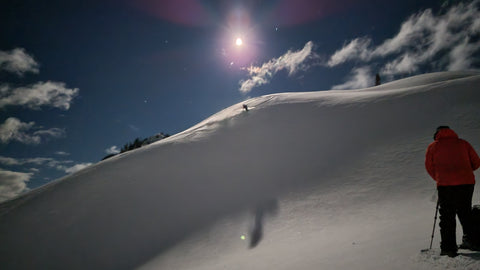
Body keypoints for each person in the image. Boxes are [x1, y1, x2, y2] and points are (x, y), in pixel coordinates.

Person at [425, 126, 480, 257]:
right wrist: (465, 172)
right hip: (466, 183)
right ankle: (474, 241)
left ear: (437, 134)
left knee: (447, 216)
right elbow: (477, 163)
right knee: (465, 212)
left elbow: (429, 167)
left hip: (445, 185)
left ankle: (448, 248)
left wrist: (439, 178)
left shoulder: (433, 147)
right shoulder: (463, 143)